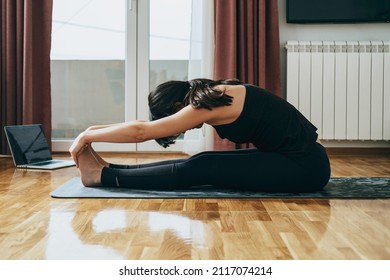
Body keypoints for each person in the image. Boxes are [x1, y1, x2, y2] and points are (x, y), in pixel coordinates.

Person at [69, 78, 331, 193]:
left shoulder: (207, 102)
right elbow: (142, 125)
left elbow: (141, 132)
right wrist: (93, 132)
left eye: (176, 120)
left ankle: (103, 176)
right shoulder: (213, 93)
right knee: (206, 158)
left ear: (176, 106)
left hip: (305, 168)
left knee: (205, 166)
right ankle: (109, 168)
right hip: (294, 159)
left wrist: (86, 137)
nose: (183, 127)